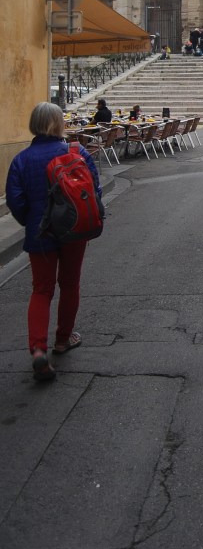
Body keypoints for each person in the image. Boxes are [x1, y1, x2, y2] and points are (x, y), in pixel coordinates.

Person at [5, 102, 102, 382]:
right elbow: (94, 191)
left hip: (40, 233)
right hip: (73, 230)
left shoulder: (21, 160)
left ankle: (38, 349)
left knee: (41, 289)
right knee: (69, 285)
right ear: (60, 123)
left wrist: (32, 221)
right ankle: (63, 339)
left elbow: (15, 200)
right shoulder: (77, 152)